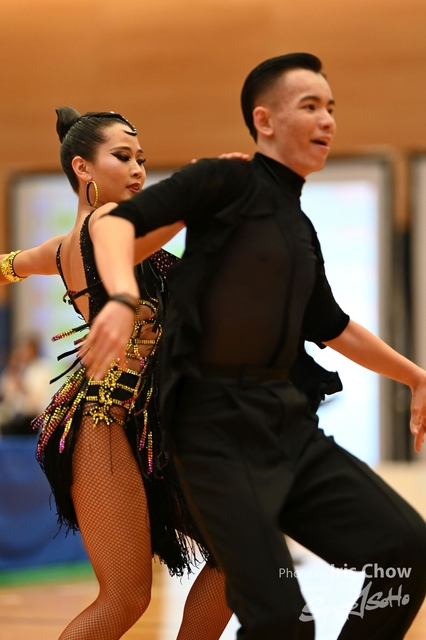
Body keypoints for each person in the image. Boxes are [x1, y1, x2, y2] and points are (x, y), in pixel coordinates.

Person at [82, 53, 426, 639]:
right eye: (310, 106)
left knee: (405, 550)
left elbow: (334, 327)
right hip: (212, 434)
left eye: (331, 108)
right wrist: (118, 297)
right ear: (264, 121)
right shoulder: (225, 181)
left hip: (286, 427)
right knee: (283, 622)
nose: (327, 120)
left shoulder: (299, 227)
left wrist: (415, 376)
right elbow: (116, 226)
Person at [0, 107, 234, 639]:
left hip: (149, 424)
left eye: (141, 159)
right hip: (103, 420)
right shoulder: (108, 224)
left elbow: (9, 264)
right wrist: (198, 190)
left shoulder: (60, 248)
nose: (137, 169)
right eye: (123, 156)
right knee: (126, 597)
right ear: (82, 167)